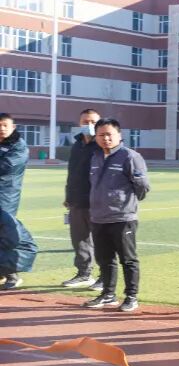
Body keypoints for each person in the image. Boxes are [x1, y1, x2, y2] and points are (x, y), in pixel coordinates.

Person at [84, 118, 151, 313]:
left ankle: (131, 296)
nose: (105, 138)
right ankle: (108, 294)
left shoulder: (130, 156)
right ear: (96, 137)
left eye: (109, 134)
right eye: (101, 135)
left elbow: (142, 186)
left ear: (119, 135)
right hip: (98, 217)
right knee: (104, 259)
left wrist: (127, 204)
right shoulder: (95, 157)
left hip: (123, 218)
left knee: (128, 259)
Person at [61, 108, 103, 290]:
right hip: (77, 200)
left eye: (93, 122)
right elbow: (72, 172)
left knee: (101, 240)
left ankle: (105, 276)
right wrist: (68, 196)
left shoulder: (101, 145)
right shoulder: (77, 145)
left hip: (97, 201)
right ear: (79, 123)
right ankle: (84, 274)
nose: (89, 125)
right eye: (85, 122)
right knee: (79, 239)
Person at [0, 210, 37, 291]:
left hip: (22, 251)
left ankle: (12, 278)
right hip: (9, 250)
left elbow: (11, 241)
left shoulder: (5, 218)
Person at [0, 113, 28, 218]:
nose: (2, 128)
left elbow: (6, 166)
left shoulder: (19, 146)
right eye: (0, 125)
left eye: (5, 125)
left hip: (5, 196)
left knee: (5, 224)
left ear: (13, 127)